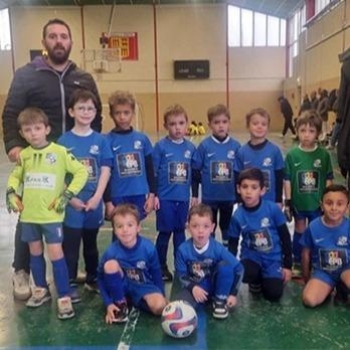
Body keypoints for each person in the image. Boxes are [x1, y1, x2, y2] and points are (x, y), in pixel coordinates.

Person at [1, 18, 102, 301]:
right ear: (44, 42)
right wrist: (13, 146)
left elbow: (97, 115)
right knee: (30, 213)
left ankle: (69, 267)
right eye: (53, 36)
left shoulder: (82, 77)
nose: (59, 41)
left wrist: (93, 146)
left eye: (64, 36)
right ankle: (21, 269)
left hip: (72, 160)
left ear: (71, 42)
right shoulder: (26, 75)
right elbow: (10, 114)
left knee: (70, 211)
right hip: (37, 162)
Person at [6, 107, 88, 319]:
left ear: (47, 129)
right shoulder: (24, 156)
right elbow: (16, 177)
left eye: (37, 128)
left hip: (51, 216)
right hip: (29, 216)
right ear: (22, 133)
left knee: (55, 253)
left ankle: (63, 295)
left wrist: (68, 195)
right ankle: (41, 289)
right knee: (34, 252)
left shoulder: (59, 153)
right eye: (28, 130)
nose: (33, 133)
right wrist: (11, 192)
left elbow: (81, 171)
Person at [58, 90, 113, 299]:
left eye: (90, 108)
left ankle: (92, 278)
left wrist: (98, 197)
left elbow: (105, 170)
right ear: (71, 111)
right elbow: (60, 175)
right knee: (70, 246)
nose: (86, 112)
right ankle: (68, 281)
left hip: (93, 203)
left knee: (91, 244)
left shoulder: (101, 141)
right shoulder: (63, 141)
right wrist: (70, 198)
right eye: (81, 107)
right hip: (72, 204)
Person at [228, 168, 292, 301]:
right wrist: (230, 268)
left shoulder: (273, 209)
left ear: (262, 190)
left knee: (273, 295)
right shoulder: (237, 215)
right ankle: (255, 280)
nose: (248, 191)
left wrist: (287, 266)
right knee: (245, 274)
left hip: (272, 259)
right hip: (252, 257)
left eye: (254, 187)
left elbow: (285, 238)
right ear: (238, 189)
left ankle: (270, 277)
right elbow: (232, 245)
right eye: (244, 187)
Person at [97, 204, 167, 324]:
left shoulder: (148, 248)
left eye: (130, 225)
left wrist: (162, 296)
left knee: (159, 307)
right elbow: (100, 277)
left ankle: (137, 301)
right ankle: (120, 304)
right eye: (119, 226)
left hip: (143, 286)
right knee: (110, 265)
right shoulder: (111, 251)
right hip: (122, 286)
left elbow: (156, 274)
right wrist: (108, 303)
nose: (125, 230)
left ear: (138, 227)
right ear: (114, 230)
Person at [284, 110, 333, 277]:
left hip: (316, 203)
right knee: (299, 229)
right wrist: (288, 201)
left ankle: (315, 260)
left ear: (318, 134)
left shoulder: (323, 155)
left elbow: (328, 179)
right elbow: (288, 179)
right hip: (299, 202)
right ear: (297, 131)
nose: (306, 135)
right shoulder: (292, 155)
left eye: (311, 131)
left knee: (316, 230)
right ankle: (297, 260)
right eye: (303, 130)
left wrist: (327, 200)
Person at [175, 204, 243, 319]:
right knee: (180, 309)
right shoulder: (183, 250)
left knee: (225, 266)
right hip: (196, 288)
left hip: (215, 286)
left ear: (212, 228)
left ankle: (220, 300)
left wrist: (232, 294)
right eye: (195, 226)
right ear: (188, 227)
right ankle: (201, 301)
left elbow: (239, 268)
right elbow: (181, 275)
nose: (200, 231)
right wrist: (193, 287)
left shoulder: (218, 249)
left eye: (205, 226)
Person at [153, 104, 197, 282]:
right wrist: (154, 195)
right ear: (166, 126)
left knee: (180, 233)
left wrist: (194, 195)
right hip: (165, 199)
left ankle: (181, 267)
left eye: (181, 123)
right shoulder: (161, 147)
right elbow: (154, 173)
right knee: (165, 233)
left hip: (183, 199)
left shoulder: (191, 148)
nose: (177, 127)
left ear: (187, 125)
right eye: (172, 124)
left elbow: (194, 175)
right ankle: (160, 266)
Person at [104, 91, 155, 229]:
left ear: (133, 113)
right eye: (117, 113)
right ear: (111, 115)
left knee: (134, 230)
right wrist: (108, 201)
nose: (122, 117)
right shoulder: (107, 141)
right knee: (119, 230)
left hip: (139, 193)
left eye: (126, 113)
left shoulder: (142, 139)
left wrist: (151, 195)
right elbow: (105, 176)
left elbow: (150, 169)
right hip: (117, 195)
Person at [192, 104, 240, 246]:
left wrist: (239, 196)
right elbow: (195, 172)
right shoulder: (204, 146)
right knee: (208, 227)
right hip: (209, 198)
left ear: (229, 123)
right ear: (209, 125)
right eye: (216, 122)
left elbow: (240, 174)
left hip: (228, 197)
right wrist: (195, 194)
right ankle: (211, 252)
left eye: (224, 122)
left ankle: (225, 253)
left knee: (226, 227)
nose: (221, 126)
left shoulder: (236, 147)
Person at [301, 184, 350, 307]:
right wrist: (307, 279)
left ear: (347, 207)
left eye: (339, 204)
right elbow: (305, 254)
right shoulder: (313, 227)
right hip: (324, 273)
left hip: (346, 269)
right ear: (322, 205)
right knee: (309, 300)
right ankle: (327, 288)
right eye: (329, 203)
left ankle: (343, 288)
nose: (334, 208)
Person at [235, 108, 284, 205]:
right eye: (255, 123)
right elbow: (237, 178)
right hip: (248, 202)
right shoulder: (242, 152)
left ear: (268, 127)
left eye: (263, 124)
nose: (259, 127)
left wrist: (279, 200)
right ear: (248, 126)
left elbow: (279, 177)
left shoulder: (275, 151)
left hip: (270, 201)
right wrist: (239, 200)